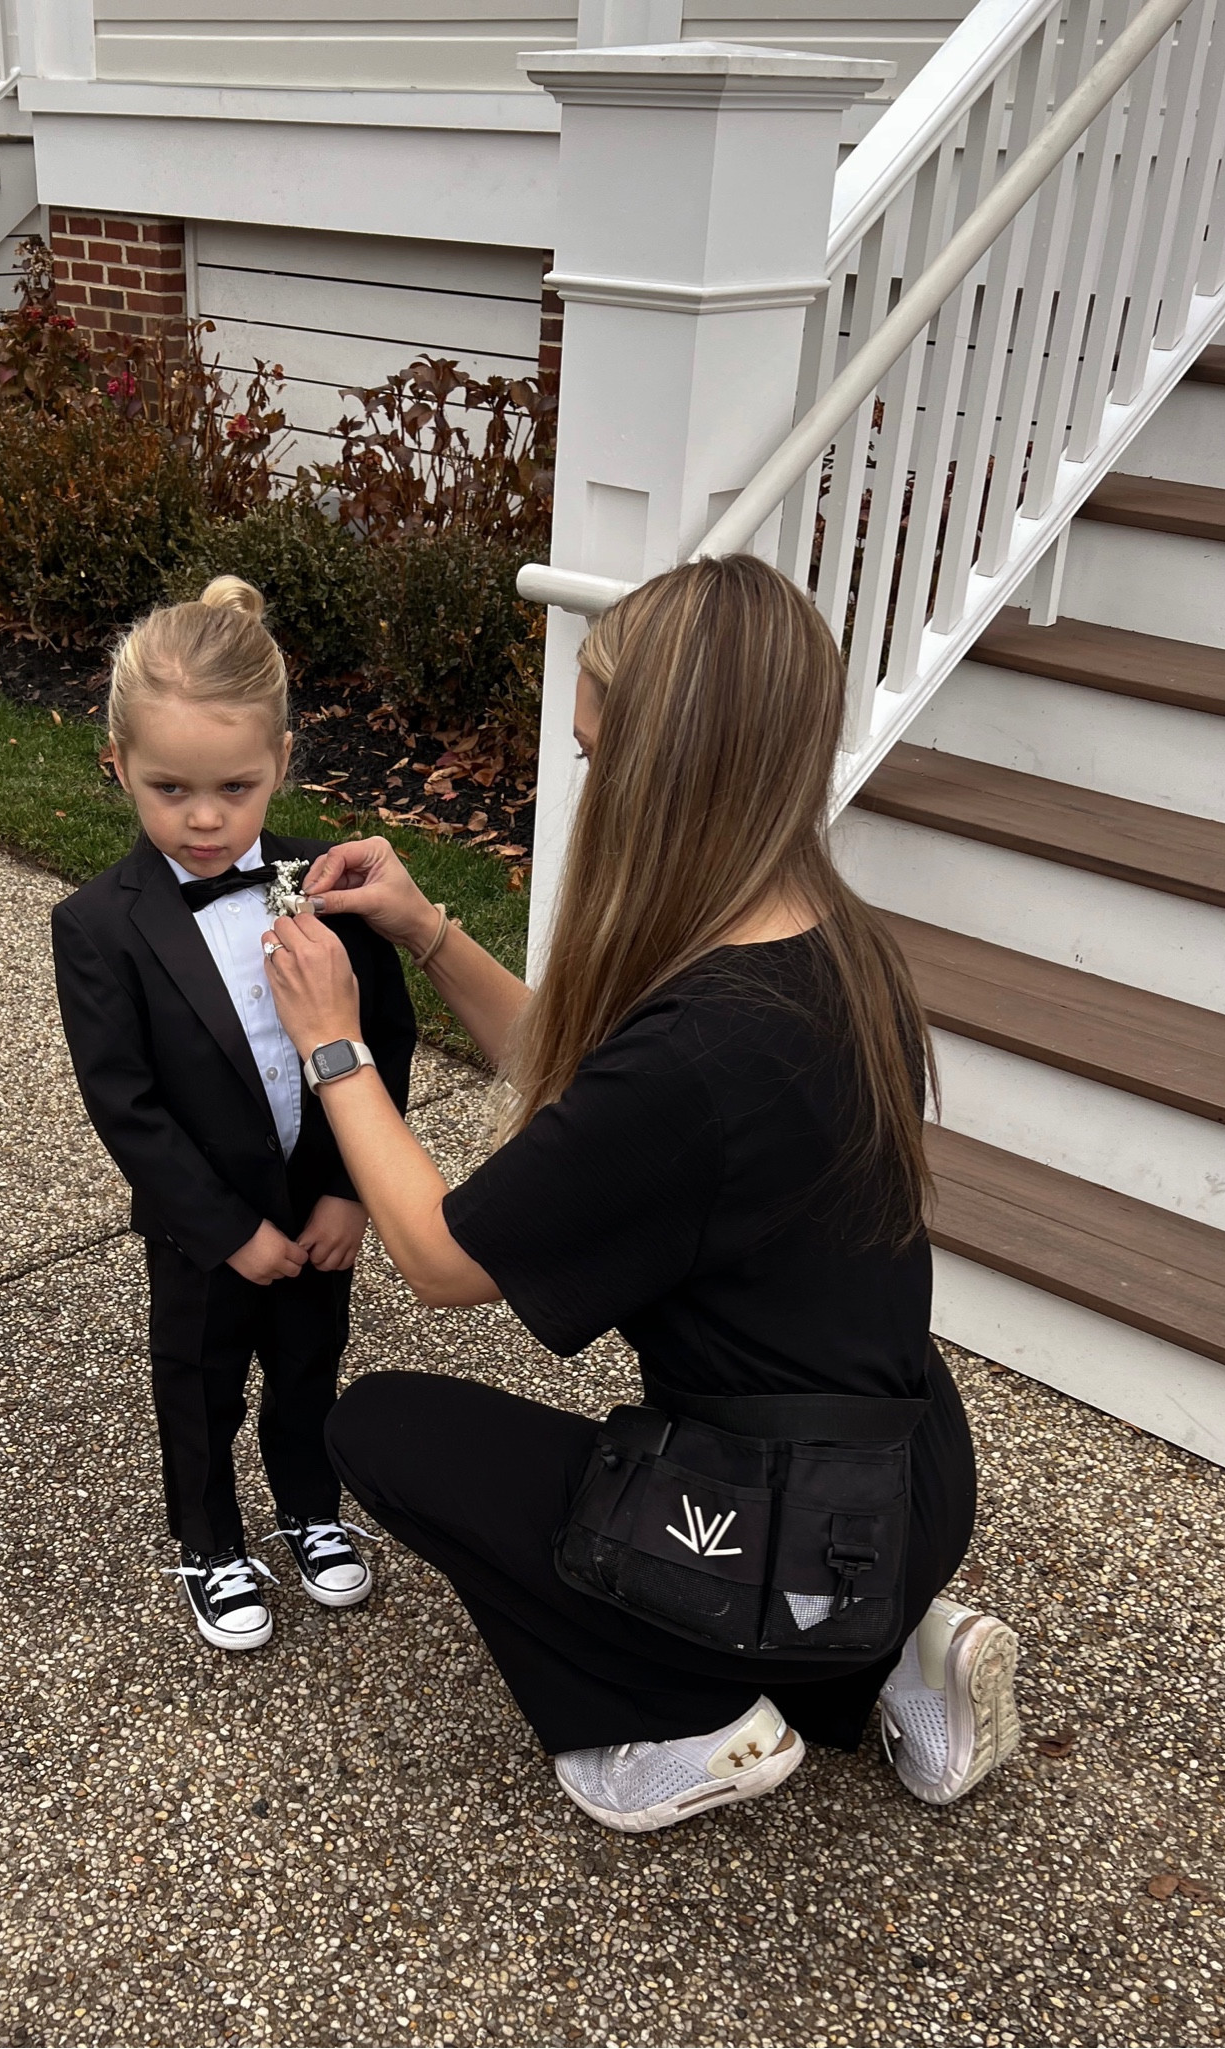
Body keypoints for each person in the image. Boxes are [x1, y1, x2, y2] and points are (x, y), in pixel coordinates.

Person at [259, 554, 1021, 1833]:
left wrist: (332, 1047)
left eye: (601, 757)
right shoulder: (820, 941)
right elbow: (587, 1100)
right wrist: (428, 933)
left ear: (671, 775)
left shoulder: (704, 1052)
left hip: (778, 1517)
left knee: (382, 1431)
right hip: (914, 1469)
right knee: (811, 1571)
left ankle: (693, 1725)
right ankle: (883, 1649)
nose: (591, 782)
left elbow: (444, 1263)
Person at [50, 576, 417, 1652]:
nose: (204, 819)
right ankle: (209, 1539)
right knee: (200, 1386)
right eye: (169, 789)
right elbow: (125, 1103)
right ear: (117, 764)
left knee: (310, 1369)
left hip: (320, 1210)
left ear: (282, 764)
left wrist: (353, 1189)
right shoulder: (97, 927)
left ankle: (310, 1509)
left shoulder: (329, 884)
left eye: (236, 788)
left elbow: (382, 1039)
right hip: (203, 1228)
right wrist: (225, 1231)